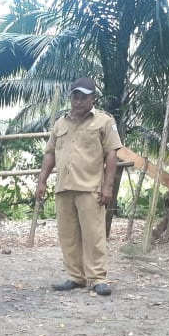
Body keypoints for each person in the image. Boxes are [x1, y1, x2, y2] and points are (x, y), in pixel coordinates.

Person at [36, 77, 122, 297]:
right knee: (68, 235)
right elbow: (49, 154)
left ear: (93, 98)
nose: (79, 100)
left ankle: (97, 278)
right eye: (76, 96)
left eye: (84, 96)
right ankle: (76, 277)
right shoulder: (60, 124)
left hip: (90, 187)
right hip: (64, 187)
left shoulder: (103, 121)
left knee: (93, 234)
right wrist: (42, 181)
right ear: (71, 97)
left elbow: (112, 154)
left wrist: (108, 187)